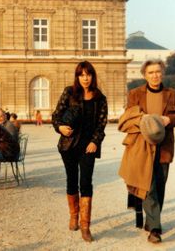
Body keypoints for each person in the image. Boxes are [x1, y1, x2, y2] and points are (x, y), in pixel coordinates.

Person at [118, 59, 175, 244]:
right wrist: (143, 120)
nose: (155, 75)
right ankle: (155, 228)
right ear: (144, 75)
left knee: (160, 186)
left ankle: (151, 220)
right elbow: (128, 116)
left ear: (162, 73)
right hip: (142, 147)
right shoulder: (135, 94)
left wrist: (168, 119)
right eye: (151, 72)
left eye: (158, 71)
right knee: (149, 186)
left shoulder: (171, 94)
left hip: (164, 148)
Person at [52, 61, 108, 242]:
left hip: (88, 147)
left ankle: (85, 225)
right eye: (81, 75)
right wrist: (60, 128)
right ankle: (73, 216)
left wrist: (95, 142)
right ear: (77, 77)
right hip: (68, 146)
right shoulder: (69, 93)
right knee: (71, 180)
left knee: (86, 182)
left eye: (88, 74)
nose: (85, 78)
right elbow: (56, 116)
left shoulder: (100, 98)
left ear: (93, 76)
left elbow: (102, 124)